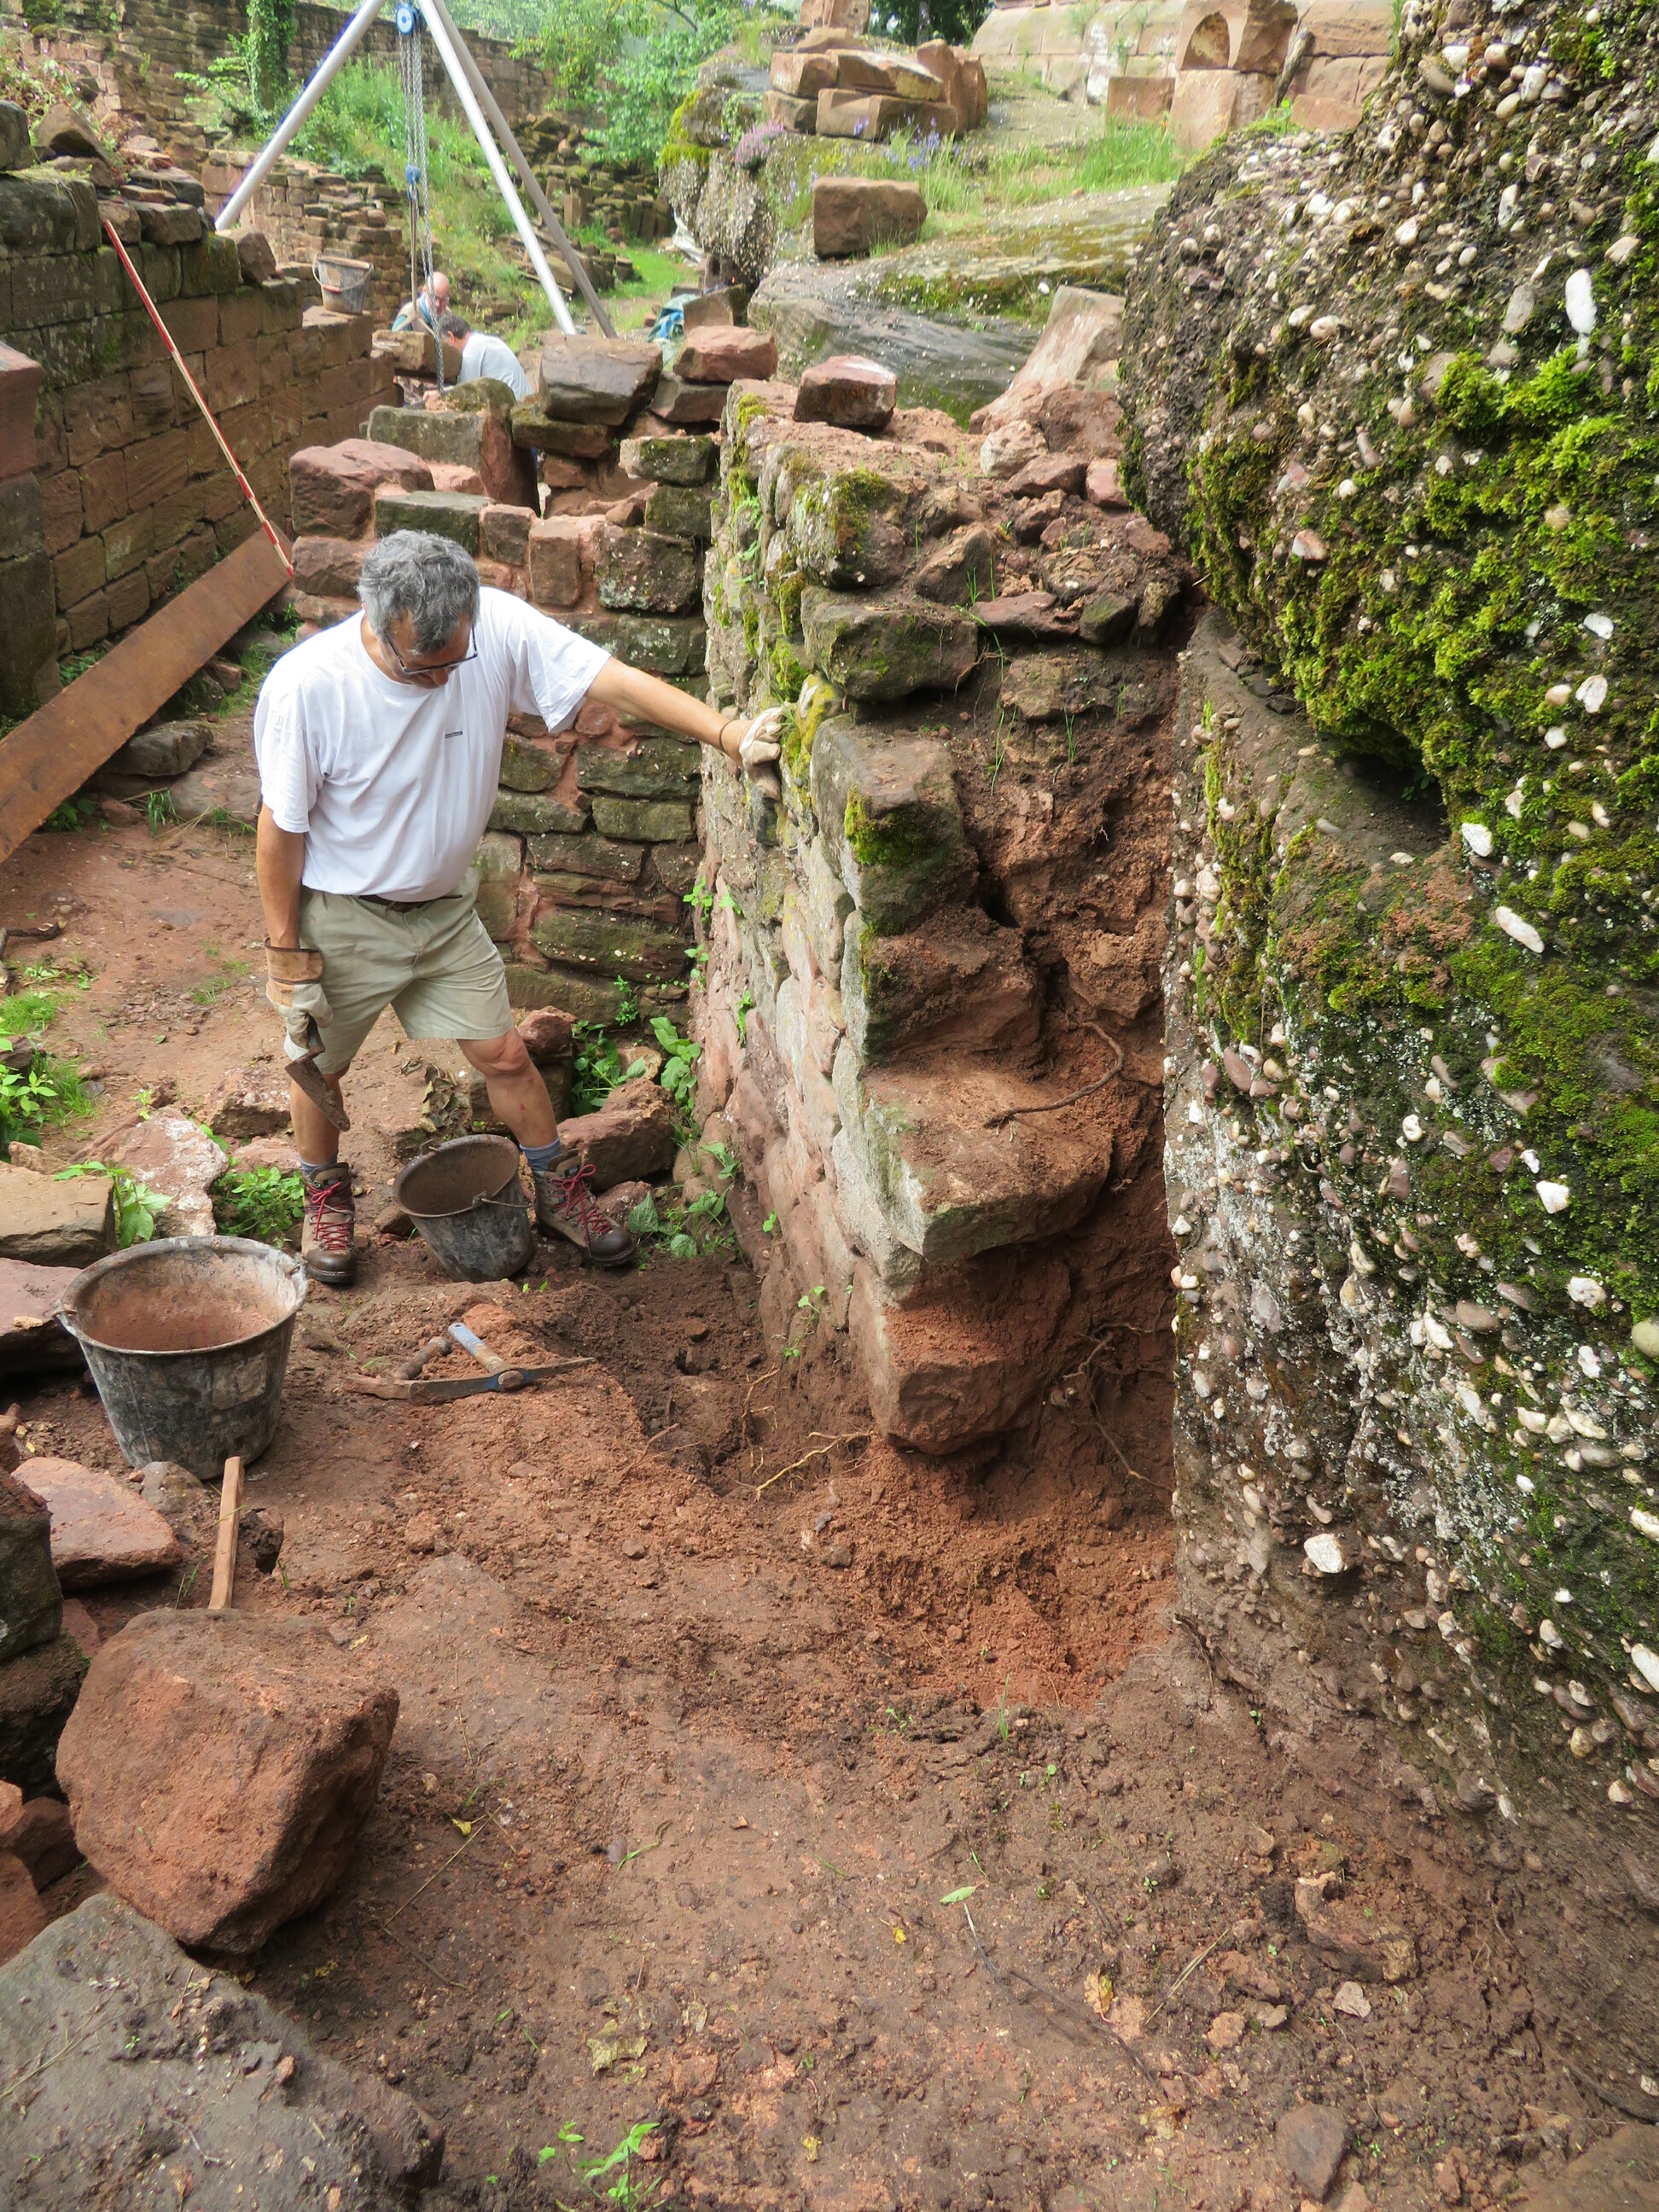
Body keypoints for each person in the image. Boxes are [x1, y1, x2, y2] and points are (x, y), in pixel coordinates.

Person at [253, 531, 784, 1286]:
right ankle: (325, 1201)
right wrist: (287, 954)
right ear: (376, 621)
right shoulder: (308, 687)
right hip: (344, 915)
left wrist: (729, 735)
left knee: (504, 1055)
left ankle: (559, 1192)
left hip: (444, 912)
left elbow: (614, 681)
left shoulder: (495, 627)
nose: (443, 678)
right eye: (422, 667)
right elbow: (279, 830)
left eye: (454, 661)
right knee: (318, 1065)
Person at [438, 311, 534, 402]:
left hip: (515, 404)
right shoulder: (484, 341)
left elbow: (464, 393)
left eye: (444, 344)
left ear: (451, 337)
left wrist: (439, 394)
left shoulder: (471, 351)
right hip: (525, 400)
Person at [392, 270, 451, 334]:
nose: (438, 304)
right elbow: (393, 338)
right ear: (424, 291)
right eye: (434, 298)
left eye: (443, 299)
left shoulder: (449, 316)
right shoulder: (407, 318)